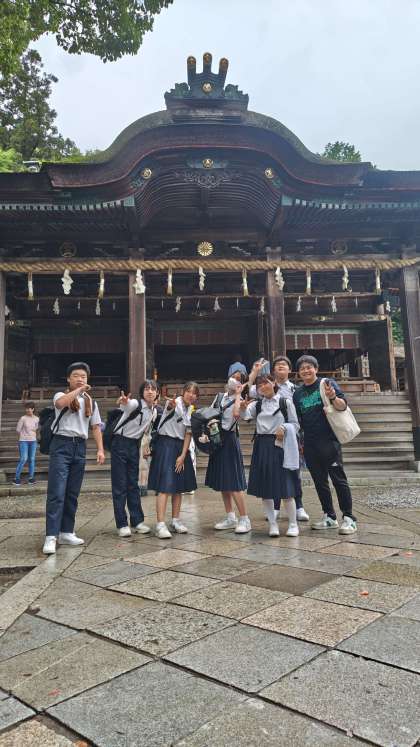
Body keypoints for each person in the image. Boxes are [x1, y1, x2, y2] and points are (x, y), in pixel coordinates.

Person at [42, 362, 105, 555]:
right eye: (76, 376)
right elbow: (61, 404)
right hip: (61, 445)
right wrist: (78, 391)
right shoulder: (61, 395)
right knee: (57, 492)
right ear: (68, 379)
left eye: (83, 377)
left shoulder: (90, 401)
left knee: (72, 493)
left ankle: (66, 532)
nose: (80, 379)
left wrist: (100, 449)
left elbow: (95, 426)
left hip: (80, 446)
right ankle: (51, 536)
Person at [293, 355, 357, 535]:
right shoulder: (297, 394)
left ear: (316, 368)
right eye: (302, 368)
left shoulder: (326, 384)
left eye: (309, 367)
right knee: (320, 482)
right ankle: (329, 516)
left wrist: (333, 396)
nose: (306, 370)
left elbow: (342, 406)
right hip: (310, 443)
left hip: (329, 440)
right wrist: (300, 442)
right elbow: (298, 420)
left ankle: (349, 518)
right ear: (298, 372)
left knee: (338, 479)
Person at [248, 355, 310, 522]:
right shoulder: (266, 386)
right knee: (274, 473)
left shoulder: (295, 389)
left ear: (290, 369)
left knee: (293, 471)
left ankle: (299, 506)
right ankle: (275, 508)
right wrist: (254, 372)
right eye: (277, 365)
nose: (281, 366)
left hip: (292, 432)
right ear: (273, 371)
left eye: (284, 364)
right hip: (271, 434)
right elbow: (250, 390)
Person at [241, 374, 300, 537]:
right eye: (259, 385)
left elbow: (296, 425)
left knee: (286, 486)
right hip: (261, 446)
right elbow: (245, 416)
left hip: (280, 445)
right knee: (265, 489)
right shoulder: (257, 404)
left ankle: (293, 524)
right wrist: (243, 407)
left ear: (273, 383)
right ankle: (273, 524)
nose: (263, 387)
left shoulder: (285, 402)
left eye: (265, 383)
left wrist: (285, 428)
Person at [148, 381, 198, 539]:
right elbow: (169, 407)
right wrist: (170, 405)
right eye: (189, 391)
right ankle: (160, 524)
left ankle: (175, 520)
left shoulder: (190, 409)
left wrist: (183, 455)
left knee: (179, 486)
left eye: (194, 393)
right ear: (183, 392)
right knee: (165, 486)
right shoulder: (174, 403)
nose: (191, 395)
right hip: (166, 445)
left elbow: (188, 433)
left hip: (180, 447)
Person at [111, 380, 159, 538]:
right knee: (120, 485)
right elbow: (126, 404)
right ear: (142, 392)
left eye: (153, 389)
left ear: (157, 393)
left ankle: (137, 521)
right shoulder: (135, 404)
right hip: (120, 443)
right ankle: (122, 524)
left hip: (134, 445)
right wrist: (124, 402)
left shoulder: (154, 411)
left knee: (133, 484)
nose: (150, 391)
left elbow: (147, 431)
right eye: (147, 389)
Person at [205, 377, 251, 534]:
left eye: (238, 379)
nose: (234, 380)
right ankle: (231, 517)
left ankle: (244, 519)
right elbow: (210, 414)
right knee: (224, 482)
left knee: (234, 482)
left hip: (230, 440)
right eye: (233, 376)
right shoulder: (219, 397)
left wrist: (238, 395)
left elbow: (237, 414)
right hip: (217, 438)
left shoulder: (241, 400)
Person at [13, 402, 39, 486]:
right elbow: (18, 429)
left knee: (32, 459)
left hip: (33, 441)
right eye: (26, 408)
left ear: (33, 409)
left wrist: (32, 432)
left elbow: (36, 428)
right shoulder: (23, 418)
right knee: (24, 459)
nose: (27, 410)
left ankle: (31, 478)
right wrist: (25, 433)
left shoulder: (37, 419)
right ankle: (16, 478)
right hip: (23, 441)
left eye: (29, 408)